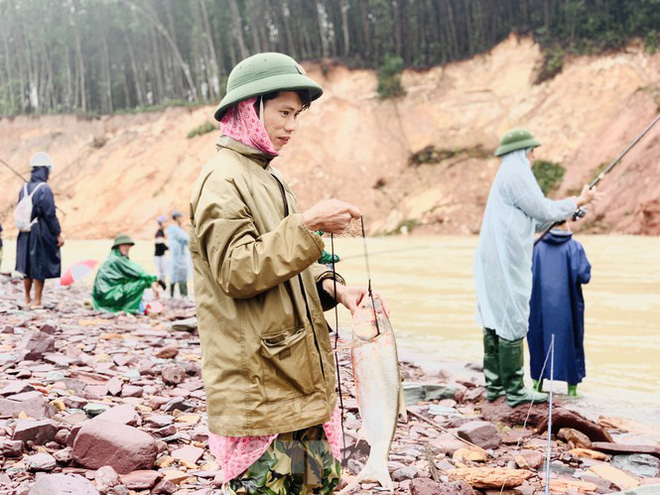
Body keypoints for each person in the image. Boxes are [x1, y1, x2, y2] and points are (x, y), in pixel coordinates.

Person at [189, 52, 372, 494]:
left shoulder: (271, 178)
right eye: (283, 113)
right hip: (259, 386)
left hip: (296, 382)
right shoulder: (222, 180)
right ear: (249, 110)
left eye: (297, 115)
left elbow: (286, 271)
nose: (292, 126)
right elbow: (237, 271)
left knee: (317, 486)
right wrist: (309, 225)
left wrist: (333, 288)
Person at [474, 129, 598, 407]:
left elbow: (534, 220)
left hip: (493, 258)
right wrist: (578, 201)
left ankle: (495, 387)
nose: (533, 155)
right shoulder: (517, 173)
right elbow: (542, 211)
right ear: (521, 151)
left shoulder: (506, 174)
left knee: (495, 318)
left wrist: (571, 209)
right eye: (531, 150)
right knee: (513, 317)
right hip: (505, 259)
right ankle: (516, 391)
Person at [527, 221, 591, 396]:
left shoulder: (535, 246)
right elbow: (584, 276)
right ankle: (572, 391)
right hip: (568, 308)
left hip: (538, 306)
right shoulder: (575, 247)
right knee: (571, 343)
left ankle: (537, 385)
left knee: (538, 339)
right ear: (566, 224)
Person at [15, 152, 64, 310]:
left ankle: (27, 300)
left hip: (25, 232)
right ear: (44, 170)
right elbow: (50, 215)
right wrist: (58, 233)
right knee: (39, 265)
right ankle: (37, 301)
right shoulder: (44, 189)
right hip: (40, 231)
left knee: (26, 266)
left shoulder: (23, 188)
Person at [92, 234, 160, 314]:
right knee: (142, 282)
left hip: (104, 295)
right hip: (108, 295)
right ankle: (127, 310)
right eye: (124, 245)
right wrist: (153, 280)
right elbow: (138, 272)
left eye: (128, 245)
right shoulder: (117, 260)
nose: (127, 248)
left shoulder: (114, 257)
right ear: (117, 247)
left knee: (136, 281)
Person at [166, 211, 190, 298]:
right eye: (180, 217)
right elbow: (185, 238)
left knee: (181, 275)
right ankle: (173, 295)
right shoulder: (173, 229)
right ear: (176, 218)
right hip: (176, 257)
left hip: (180, 256)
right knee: (175, 275)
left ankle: (183, 295)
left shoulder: (178, 229)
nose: (182, 219)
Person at [154, 215, 169, 290]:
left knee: (163, 273)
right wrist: (169, 248)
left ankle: (161, 289)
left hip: (161, 255)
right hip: (159, 256)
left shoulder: (162, 232)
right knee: (160, 274)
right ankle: (158, 288)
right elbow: (161, 245)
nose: (166, 223)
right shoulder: (159, 233)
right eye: (165, 222)